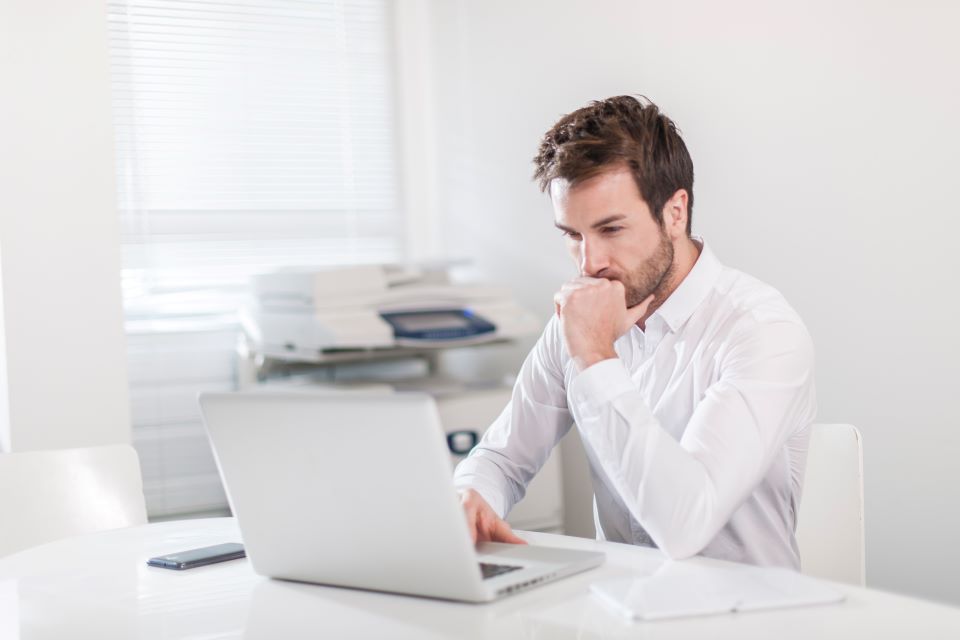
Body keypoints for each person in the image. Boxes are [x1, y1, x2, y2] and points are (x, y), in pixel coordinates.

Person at [453, 95, 816, 569]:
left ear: (675, 212)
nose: (590, 263)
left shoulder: (761, 330)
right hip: (623, 611)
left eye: (611, 229)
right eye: (572, 234)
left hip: (748, 617)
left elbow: (686, 525)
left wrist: (595, 357)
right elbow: (502, 458)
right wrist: (472, 497)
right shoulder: (579, 323)